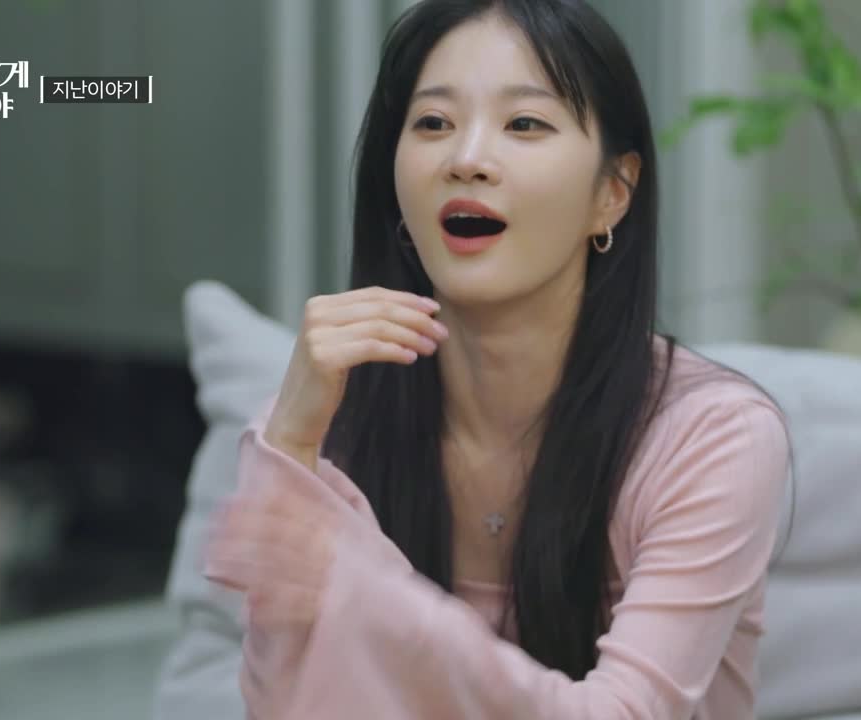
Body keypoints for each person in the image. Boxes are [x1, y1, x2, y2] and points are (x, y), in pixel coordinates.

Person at [199, 0, 794, 717]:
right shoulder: (328, 417)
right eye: (433, 123)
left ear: (612, 193)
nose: (466, 159)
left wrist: (375, 599)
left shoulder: (710, 437)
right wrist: (291, 447)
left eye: (524, 124)